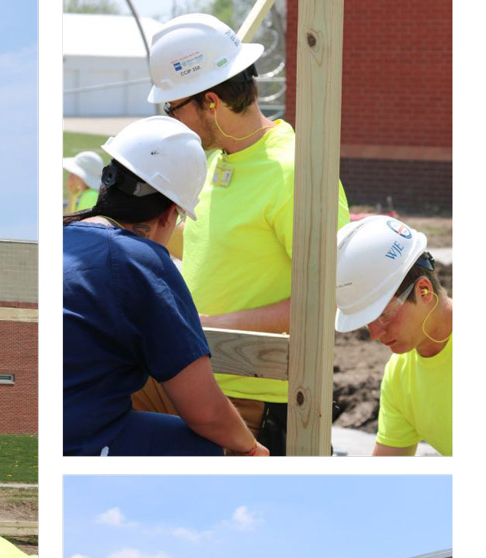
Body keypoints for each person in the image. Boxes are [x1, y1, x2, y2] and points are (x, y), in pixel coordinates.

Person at [144, 13, 352, 454]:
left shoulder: (295, 173)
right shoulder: (218, 161)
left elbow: (325, 299)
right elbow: (211, 245)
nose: (170, 121)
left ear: (212, 102)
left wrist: (202, 326)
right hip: (196, 373)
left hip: (252, 391)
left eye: (172, 108)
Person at [63, 116, 267, 456]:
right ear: (170, 214)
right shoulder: (140, 260)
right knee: (207, 446)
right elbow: (206, 413)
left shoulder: (66, 233)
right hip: (80, 440)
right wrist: (250, 449)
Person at [335, 217, 453, 456]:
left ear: (424, 291)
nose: (375, 334)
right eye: (367, 322)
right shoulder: (399, 376)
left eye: (384, 315)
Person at [62, 149, 104, 214]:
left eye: (73, 173)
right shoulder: (90, 193)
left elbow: (74, 222)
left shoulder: (90, 195)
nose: (70, 175)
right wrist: (72, 196)